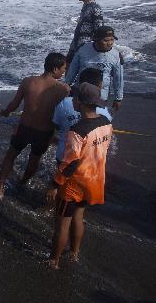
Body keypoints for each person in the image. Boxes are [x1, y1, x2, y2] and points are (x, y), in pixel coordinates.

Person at [45, 82, 112, 270]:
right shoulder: (106, 123)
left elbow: (70, 162)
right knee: (79, 216)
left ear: (80, 103)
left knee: (62, 224)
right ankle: (74, 253)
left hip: (73, 184)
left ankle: (54, 260)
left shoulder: (77, 130)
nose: (72, 100)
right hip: (94, 181)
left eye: (74, 98)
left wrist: (54, 184)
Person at [0, 53, 70, 199]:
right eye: (63, 69)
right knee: (34, 159)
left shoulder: (28, 81)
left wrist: (6, 112)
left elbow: (14, 105)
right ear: (54, 69)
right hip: (43, 132)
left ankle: (0, 188)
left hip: (24, 128)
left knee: (11, 155)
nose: (64, 72)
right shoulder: (63, 89)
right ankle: (22, 182)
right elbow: (62, 115)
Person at [52, 68, 112, 165]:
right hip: (93, 160)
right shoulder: (105, 114)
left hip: (66, 158)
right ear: (99, 86)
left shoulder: (64, 104)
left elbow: (55, 127)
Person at [65, 25, 123, 112]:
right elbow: (72, 70)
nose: (110, 43)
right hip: (81, 94)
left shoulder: (116, 55)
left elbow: (118, 79)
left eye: (112, 39)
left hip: (101, 97)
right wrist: (66, 85)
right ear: (97, 40)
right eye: (106, 40)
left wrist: (118, 98)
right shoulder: (83, 49)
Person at [66, 0, 103, 64]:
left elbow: (99, 29)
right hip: (78, 44)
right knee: (69, 63)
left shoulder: (95, 8)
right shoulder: (86, 7)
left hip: (85, 46)